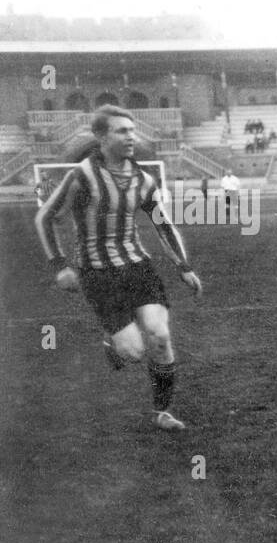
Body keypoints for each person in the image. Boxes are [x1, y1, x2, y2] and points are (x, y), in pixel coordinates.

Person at [34, 106, 202, 431]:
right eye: (121, 131)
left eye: (132, 130)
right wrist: (59, 265)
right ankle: (116, 345)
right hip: (99, 274)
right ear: (101, 137)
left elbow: (162, 225)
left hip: (138, 266)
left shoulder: (143, 179)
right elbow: (46, 218)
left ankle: (162, 412)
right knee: (134, 351)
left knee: (160, 336)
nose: (130, 137)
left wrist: (183, 265)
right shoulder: (82, 176)